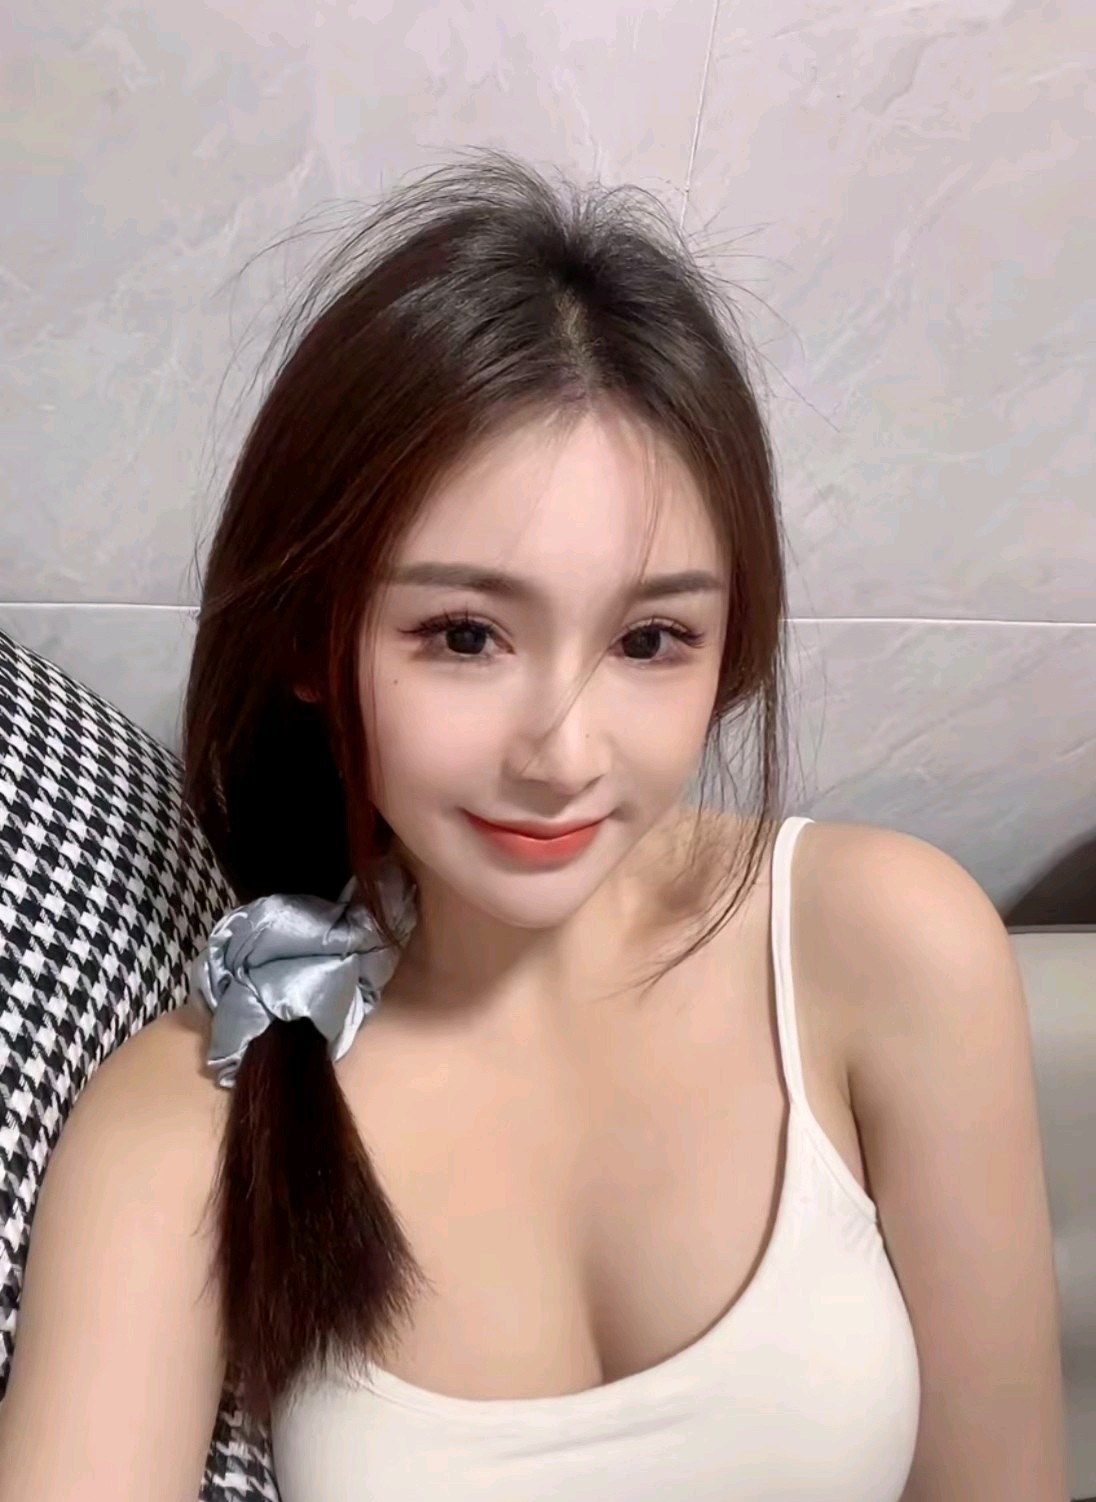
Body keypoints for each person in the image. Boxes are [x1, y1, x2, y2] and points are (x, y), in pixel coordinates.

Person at [0, 154, 1067, 1501]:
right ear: (311, 642)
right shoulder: (195, 1117)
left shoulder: (885, 946)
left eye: (650, 639)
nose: (563, 755)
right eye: (464, 634)